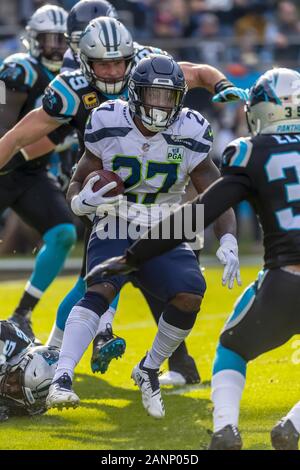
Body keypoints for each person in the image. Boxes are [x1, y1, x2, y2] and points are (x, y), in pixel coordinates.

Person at [0, 15, 246, 381]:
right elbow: (22, 135)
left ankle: (141, 354)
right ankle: (74, 348)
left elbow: (197, 73)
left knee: (173, 280)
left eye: (120, 62)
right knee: (106, 271)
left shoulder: (152, 73)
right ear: (83, 60)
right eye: (103, 63)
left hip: (162, 199)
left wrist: (223, 84)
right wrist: (80, 192)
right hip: (105, 191)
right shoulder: (72, 87)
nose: (114, 71)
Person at [95, 67, 300, 448]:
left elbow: (197, 212)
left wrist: (133, 257)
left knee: (233, 348)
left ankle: (224, 429)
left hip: (286, 278)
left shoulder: (251, 152)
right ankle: (294, 424)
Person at [45, 54, 239, 419]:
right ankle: (62, 377)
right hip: (117, 216)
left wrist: (227, 237)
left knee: (189, 294)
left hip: (167, 223)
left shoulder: (192, 128)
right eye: (154, 95)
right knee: (101, 287)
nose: (161, 105)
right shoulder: (106, 119)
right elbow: (77, 180)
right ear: (136, 94)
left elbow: (216, 191)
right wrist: (81, 201)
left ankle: (149, 368)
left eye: (169, 97)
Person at [0, 4, 77, 341]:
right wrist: (61, 139)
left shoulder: (75, 78)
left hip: (30, 174)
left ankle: (23, 313)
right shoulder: (20, 69)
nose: (57, 47)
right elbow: (9, 131)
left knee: (63, 233)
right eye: (50, 40)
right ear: (33, 39)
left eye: (63, 40)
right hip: (5, 163)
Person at [0, 320, 59, 421]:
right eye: (16, 381)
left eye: (19, 393)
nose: (10, 388)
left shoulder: (21, 356)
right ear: (22, 362)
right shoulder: (5, 338)